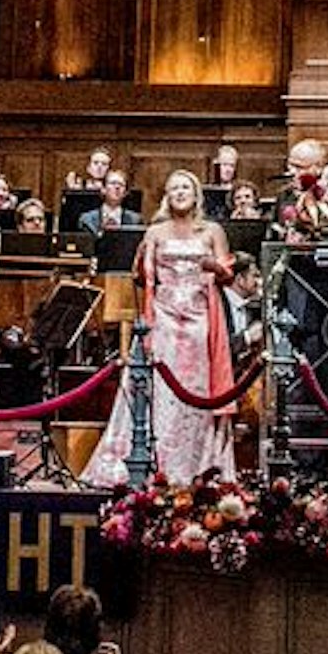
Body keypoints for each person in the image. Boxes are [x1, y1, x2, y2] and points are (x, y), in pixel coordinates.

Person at [85, 171, 239, 488]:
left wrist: (215, 267)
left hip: (198, 320)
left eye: (185, 187)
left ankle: (194, 464)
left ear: (196, 194)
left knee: (193, 390)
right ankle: (152, 461)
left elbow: (228, 276)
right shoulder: (155, 231)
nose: (180, 193)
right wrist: (140, 264)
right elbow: (141, 277)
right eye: (173, 188)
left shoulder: (212, 231)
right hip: (163, 318)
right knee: (159, 387)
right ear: (166, 196)